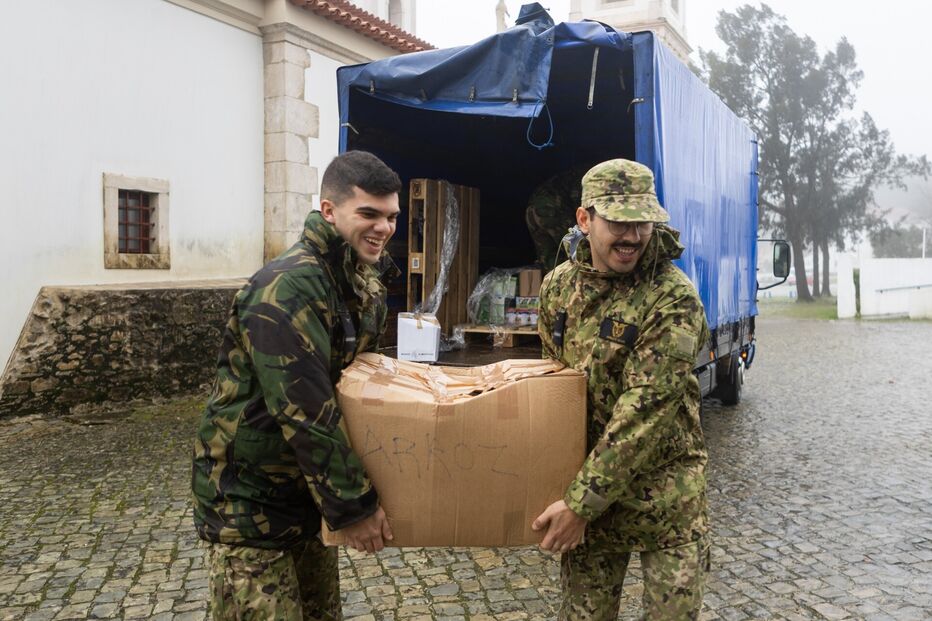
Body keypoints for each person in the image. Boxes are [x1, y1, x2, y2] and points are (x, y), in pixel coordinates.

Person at [192, 151, 402, 620]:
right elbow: (307, 410)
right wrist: (355, 506)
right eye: (368, 213)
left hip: (306, 497)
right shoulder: (288, 286)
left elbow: (359, 380)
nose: (383, 228)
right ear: (329, 210)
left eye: (391, 216)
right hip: (246, 501)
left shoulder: (357, 281)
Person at [532, 159, 711, 620]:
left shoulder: (673, 298)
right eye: (618, 222)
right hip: (592, 507)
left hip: (665, 501)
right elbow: (558, 387)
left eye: (642, 222)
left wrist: (578, 505)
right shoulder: (557, 288)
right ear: (584, 219)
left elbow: (645, 412)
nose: (631, 235)